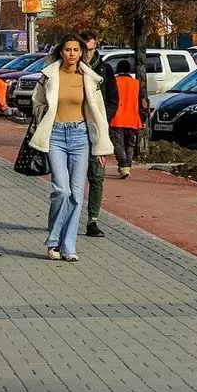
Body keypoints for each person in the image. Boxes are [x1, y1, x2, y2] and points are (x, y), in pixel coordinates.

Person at [30, 34, 113, 262]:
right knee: (61, 191)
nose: (72, 54)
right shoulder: (49, 75)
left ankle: (68, 246)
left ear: (81, 53)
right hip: (56, 135)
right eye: (68, 50)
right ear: (61, 51)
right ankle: (53, 240)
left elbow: (99, 114)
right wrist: (43, 115)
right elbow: (36, 102)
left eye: (76, 50)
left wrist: (101, 146)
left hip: (80, 138)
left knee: (76, 194)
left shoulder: (88, 77)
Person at [79, 30, 118, 237]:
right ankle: (66, 218)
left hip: (97, 132)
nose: (86, 53)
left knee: (97, 177)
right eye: (83, 49)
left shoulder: (104, 69)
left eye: (91, 49)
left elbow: (113, 99)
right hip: (74, 129)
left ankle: (93, 221)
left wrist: (104, 120)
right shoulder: (71, 69)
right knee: (70, 181)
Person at [109, 60, 147, 179]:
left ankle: (123, 165)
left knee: (118, 143)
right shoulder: (136, 84)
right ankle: (127, 166)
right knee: (130, 145)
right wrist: (143, 118)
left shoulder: (114, 82)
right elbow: (143, 103)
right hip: (133, 119)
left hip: (117, 118)